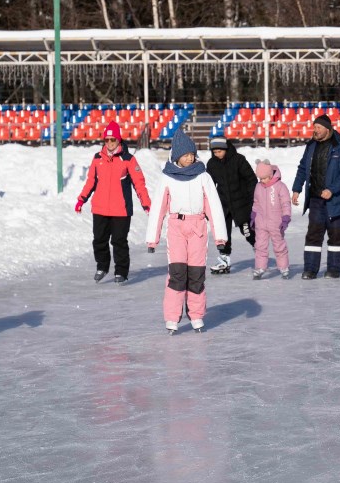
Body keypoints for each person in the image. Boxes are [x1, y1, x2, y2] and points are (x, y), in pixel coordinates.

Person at [146, 130, 227, 333]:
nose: (190, 158)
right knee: (177, 273)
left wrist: (220, 237)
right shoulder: (167, 178)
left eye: (192, 154)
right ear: (177, 157)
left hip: (198, 227)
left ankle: (197, 315)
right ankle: (172, 317)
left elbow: (214, 207)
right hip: (176, 228)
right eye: (185, 155)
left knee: (196, 273)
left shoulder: (203, 176)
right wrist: (152, 239)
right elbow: (158, 208)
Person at [76, 121, 151, 283]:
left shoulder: (128, 159)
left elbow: (139, 183)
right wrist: (81, 199)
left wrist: (146, 203)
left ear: (118, 140)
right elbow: (90, 182)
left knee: (119, 241)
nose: (110, 143)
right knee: (99, 240)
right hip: (100, 208)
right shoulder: (97, 159)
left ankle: (121, 272)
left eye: (113, 140)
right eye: (107, 140)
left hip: (121, 210)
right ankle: (102, 266)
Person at [291, 114, 340, 279]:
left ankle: (334, 269)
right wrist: (297, 189)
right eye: (314, 127)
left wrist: (331, 190)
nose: (315, 130)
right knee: (313, 234)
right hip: (316, 200)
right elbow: (303, 168)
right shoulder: (311, 146)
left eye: (318, 127)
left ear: (327, 129)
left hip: (336, 200)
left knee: (335, 235)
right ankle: (310, 269)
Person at [205, 137, 257, 274]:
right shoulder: (211, 164)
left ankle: (259, 252)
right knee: (223, 234)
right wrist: (208, 206)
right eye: (215, 152)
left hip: (242, 203)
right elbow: (208, 186)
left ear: (226, 149)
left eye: (220, 151)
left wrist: (253, 200)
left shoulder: (239, 160)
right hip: (223, 205)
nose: (217, 154)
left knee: (247, 231)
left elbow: (251, 179)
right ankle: (224, 260)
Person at [251, 159, 293, 279]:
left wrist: (285, 218)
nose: (262, 181)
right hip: (261, 222)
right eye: (260, 178)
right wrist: (253, 216)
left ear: (270, 175)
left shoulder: (280, 186)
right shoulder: (258, 186)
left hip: (276, 223)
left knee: (279, 245)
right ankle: (260, 267)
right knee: (260, 246)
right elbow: (256, 202)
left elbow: (286, 203)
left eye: (264, 178)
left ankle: (284, 267)